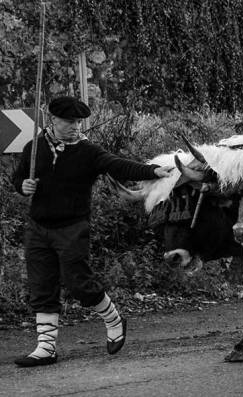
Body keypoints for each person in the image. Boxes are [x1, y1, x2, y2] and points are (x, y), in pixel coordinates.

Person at [10, 96, 173, 367]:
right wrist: (22, 186)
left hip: (72, 227)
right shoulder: (34, 147)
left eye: (78, 122)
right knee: (41, 286)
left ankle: (113, 319)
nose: (75, 126)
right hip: (38, 227)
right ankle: (46, 348)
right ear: (53, 120)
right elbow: (18, 178)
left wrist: (153, 171)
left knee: (79, 284)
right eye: (68, 122)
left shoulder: (88, 152)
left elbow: (119, 165)